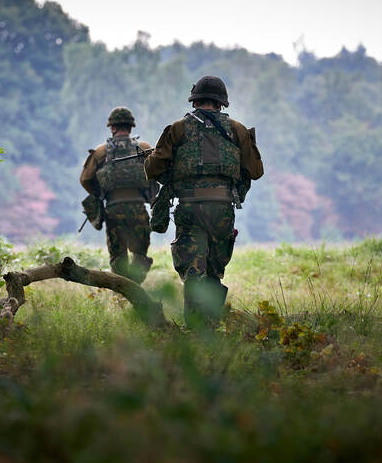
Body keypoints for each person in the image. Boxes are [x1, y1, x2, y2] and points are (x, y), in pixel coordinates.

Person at [144, 75, 263, 328]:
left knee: (193, 273)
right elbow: (255, 170)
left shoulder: (178, 129)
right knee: (213, 273)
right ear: (222, 103)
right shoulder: (237, 130)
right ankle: (211, 327)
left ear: (195, 101)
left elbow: (153, 169)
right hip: (222, 211)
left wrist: (158, 156)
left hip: (190, 210)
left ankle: (196, 331)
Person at [80, 107, 156, 284]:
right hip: (138, 208)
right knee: (140, 254)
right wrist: (150, 194)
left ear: (112, 128)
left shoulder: (100, 152)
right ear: (130, 127)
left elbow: (85, 179)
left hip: (113, 209)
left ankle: (121, 292)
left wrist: (98, 194)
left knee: (117, 256)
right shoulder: (144, 148)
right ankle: (136, 285)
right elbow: (157, 171)